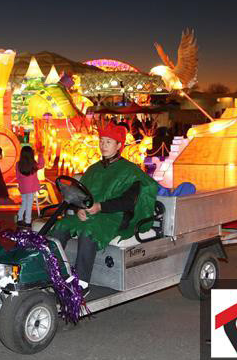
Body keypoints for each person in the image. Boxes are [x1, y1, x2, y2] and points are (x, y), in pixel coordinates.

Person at [51, 123, 158, 291]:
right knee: (60, 225)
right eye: (101, 141)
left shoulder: (130, 171)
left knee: (89, 230)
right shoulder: (93, 169)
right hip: (90, 213)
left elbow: (128, 202)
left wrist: (101, 206)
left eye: (108, 142)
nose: (103, 145)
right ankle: (55, 274)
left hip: (115, 216)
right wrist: (79, 209)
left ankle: (81, 283)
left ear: (119, 145)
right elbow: (80, 195)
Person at [15, 145, 44, 229]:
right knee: (29, 204)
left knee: (24, 203)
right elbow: (41, 165)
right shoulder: (33, 164)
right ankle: (28, 221)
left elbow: (17, 176)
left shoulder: (18, 164)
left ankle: (19, 218)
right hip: (31, 188)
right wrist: (40, 154)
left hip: (23, 188)